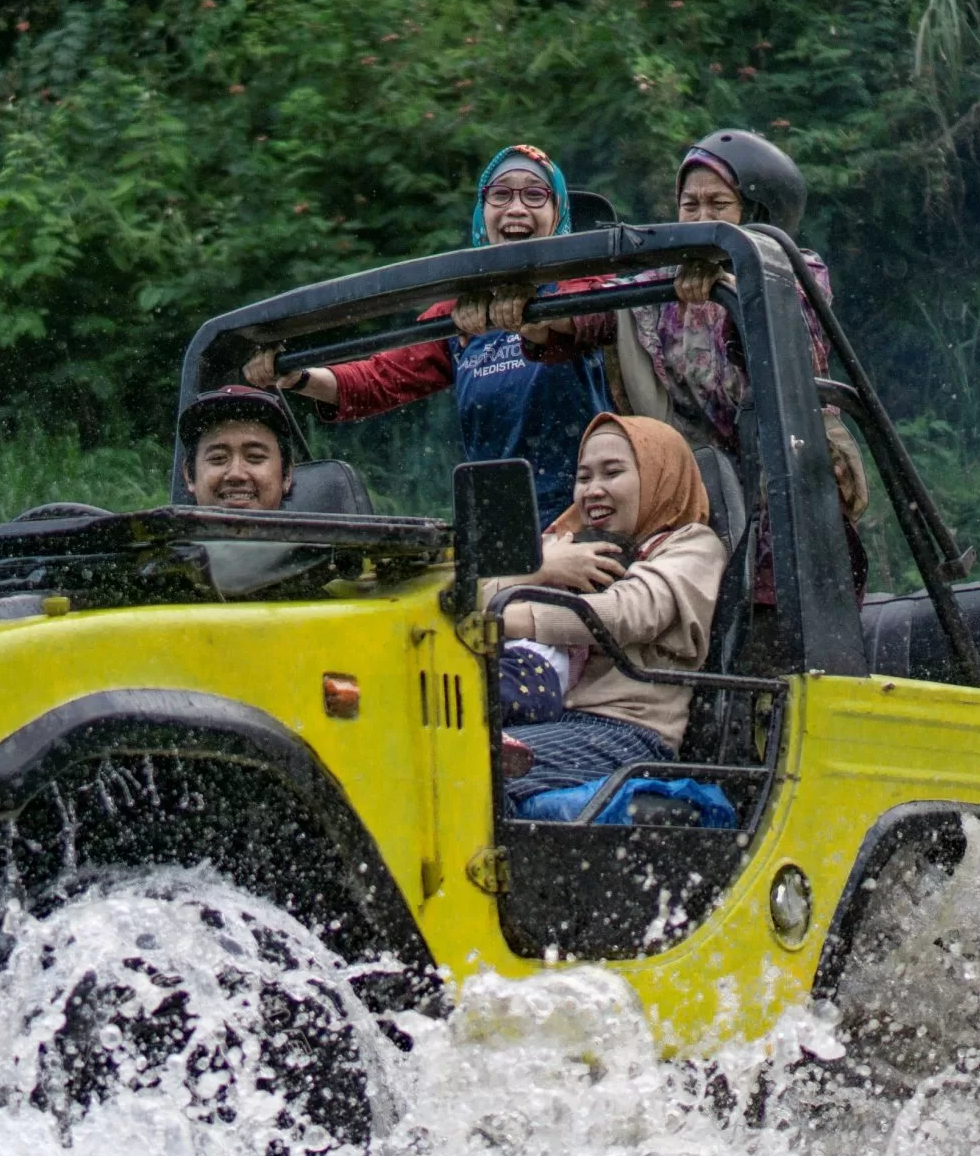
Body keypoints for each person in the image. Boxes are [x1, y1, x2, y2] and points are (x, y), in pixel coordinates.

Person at [519, 128, 869, 600]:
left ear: (757, 212)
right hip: (696, 501)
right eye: (690, 205)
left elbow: (778, 320)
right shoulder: (658, 284)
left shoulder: (793, 269)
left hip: (787, 494)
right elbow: (594, 311)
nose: (701, 219)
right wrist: (528, 315)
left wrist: (727, 284)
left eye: (719, 206)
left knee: (771, 630)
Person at [243, 144, 610, 518]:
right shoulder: (460, 311)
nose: (516, 208)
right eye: (500, 194)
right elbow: (378, 379)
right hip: (503, 518)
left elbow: (593, 320)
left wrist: (530, 314)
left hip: (590, 506)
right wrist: (299, 375)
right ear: (483, 213)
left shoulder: (585, 287)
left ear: (557, 211)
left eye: (534, 194)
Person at [485, 414, 724, 806]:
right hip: (549, 721)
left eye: (612, 473)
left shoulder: (691, 545)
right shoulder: (570, 546)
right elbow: (465, 595)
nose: (593, 490)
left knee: (472, 768)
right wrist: (541, 568)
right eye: (583, 477)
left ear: (657, 475)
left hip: (627, 732)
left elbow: (628, 611)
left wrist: (509, 618)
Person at [176, 385, 299, 510]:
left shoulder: (317, 529)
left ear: (287, 474)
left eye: (255, 456)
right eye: (218, 458)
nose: (236, 474)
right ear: (189, 476)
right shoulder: (160, 527)